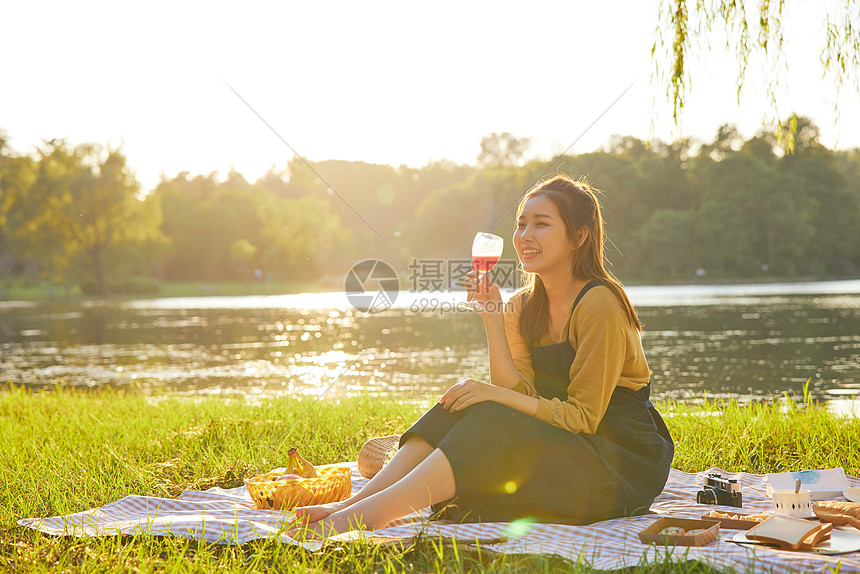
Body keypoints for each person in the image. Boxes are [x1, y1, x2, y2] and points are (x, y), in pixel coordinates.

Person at [290, 174, 674, 538]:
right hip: (563, 444)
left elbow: (584, 417)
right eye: (521, 224)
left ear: (579, 237)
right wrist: (493, 317)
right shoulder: (523, 305)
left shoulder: (599, 304)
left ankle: (364, 518)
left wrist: (495, 396)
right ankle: (356, 503)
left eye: (541, 224)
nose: (524, 235)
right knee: (461, 402)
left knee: (487, 407)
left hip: (618, 460)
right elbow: (516, 390)